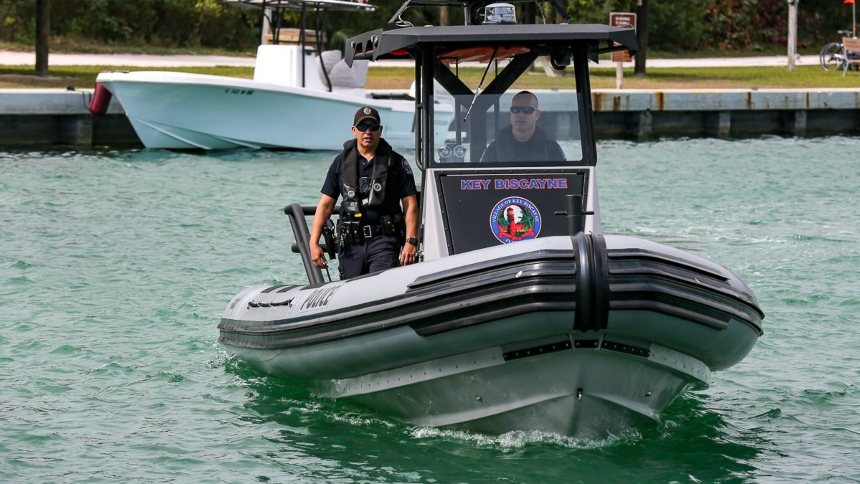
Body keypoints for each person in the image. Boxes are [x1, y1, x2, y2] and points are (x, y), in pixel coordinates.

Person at [309, 106, 420, 279]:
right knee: (350, 293)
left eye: (373, 127)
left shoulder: (397, 163)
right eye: (362, 127)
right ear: (354, 130)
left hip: (384, 241)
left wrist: (410, 241)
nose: (368, 132)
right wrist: (313, 243)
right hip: (351, 244)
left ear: (380, 130)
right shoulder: (340, 163)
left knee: (381, 288)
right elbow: (325, 205)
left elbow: (411, 204)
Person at [479, 90, 566, 163]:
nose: (520, 114)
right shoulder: (494, 149)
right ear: (510, 113)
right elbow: (481, 180)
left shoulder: (551, 149)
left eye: (527, 110)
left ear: (537, 115)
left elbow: (565, 180)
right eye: (515, 110)